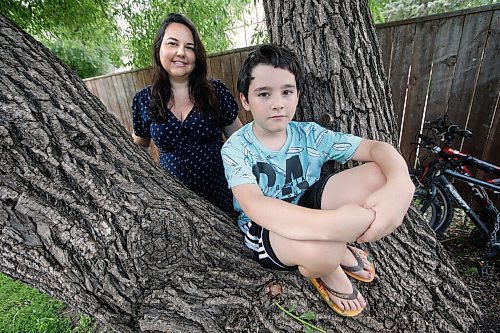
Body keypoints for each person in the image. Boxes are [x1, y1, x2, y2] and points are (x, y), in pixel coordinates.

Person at [221, 44, 414, 316]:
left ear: (297, 95)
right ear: (245, 100)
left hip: (308, 204)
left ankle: (333, 240)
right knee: (326, 254)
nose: (277, 103)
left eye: (287, 92)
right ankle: (330, 267)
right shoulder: (236, 148)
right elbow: (255, 206)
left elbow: (376, 149)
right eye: (263, 94)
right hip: (267, 229)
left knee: (380, 173)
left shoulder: (309, 135)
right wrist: (333, 226)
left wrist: (400, 185)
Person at [132, 13, 242, 214]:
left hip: (223, 197)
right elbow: (138, 151)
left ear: (196, 54)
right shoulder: (143, 100)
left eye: (189, 47)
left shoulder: (216, 91)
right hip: (176, 207)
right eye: (173, 44)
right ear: (158, 49)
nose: (181, 52)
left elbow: (240, 142)